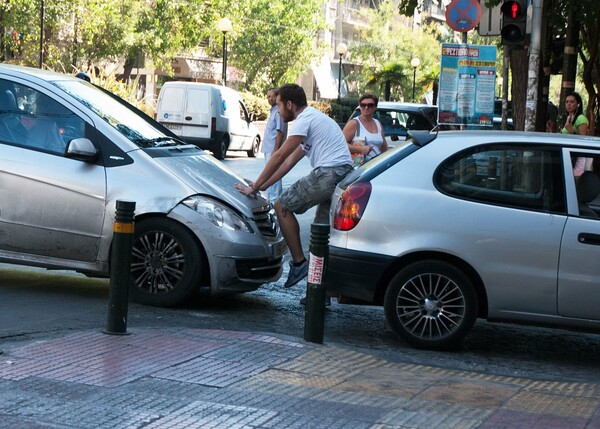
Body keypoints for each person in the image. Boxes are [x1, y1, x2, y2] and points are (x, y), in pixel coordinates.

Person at [235, 83, 353, 291]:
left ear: (289, 104)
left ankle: (299, 263)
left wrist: (254, 189)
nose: (278, 111)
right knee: (320, 234)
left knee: (282, 206)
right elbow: (289, 162)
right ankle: (319, 293)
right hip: (341, 176)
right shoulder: (315, 119)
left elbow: (279, 155)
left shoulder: (304, 119)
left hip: (329, 173)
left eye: (279, 105)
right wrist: (261, 185)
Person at [343, 94, 388, 164]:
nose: (366, 107)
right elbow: (341, 144)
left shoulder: (378, 123)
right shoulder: (354, 123)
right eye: (363, 105)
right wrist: (360, 149)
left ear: (375, 107)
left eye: (370, 105)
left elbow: (384, 147)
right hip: (358, 167)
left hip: (375, 166)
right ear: (360, 107)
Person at [260, 88, 288, 202]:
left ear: (277, 97)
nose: (269, 98)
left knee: (273, 179)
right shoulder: (273, 111)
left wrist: (275, 151)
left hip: (273, 151)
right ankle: (273, 202)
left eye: (271, 96)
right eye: (268, 96)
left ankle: (274, 205)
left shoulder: (278, 112)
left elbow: (280, 133)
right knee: (270, 178)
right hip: (269, 149)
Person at [562, 92, 590, 176]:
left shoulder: (581, 118)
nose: (569, 104)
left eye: (572, 102)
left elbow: (583, 139)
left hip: (577, 157)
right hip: (568, 154)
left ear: (578, 104)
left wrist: (572, 131)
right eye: (567, 102)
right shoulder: (569, 117)